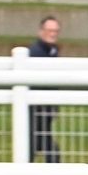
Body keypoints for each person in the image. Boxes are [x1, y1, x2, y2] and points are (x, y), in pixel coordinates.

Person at [24, 15, 60, 162]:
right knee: (40, 143)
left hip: (43, 107)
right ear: (41, 31)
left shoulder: (50, 51)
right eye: (49, 30)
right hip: (37, 107)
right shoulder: (37, 52)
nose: (53, 34)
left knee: (36, 143)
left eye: (55, 31)